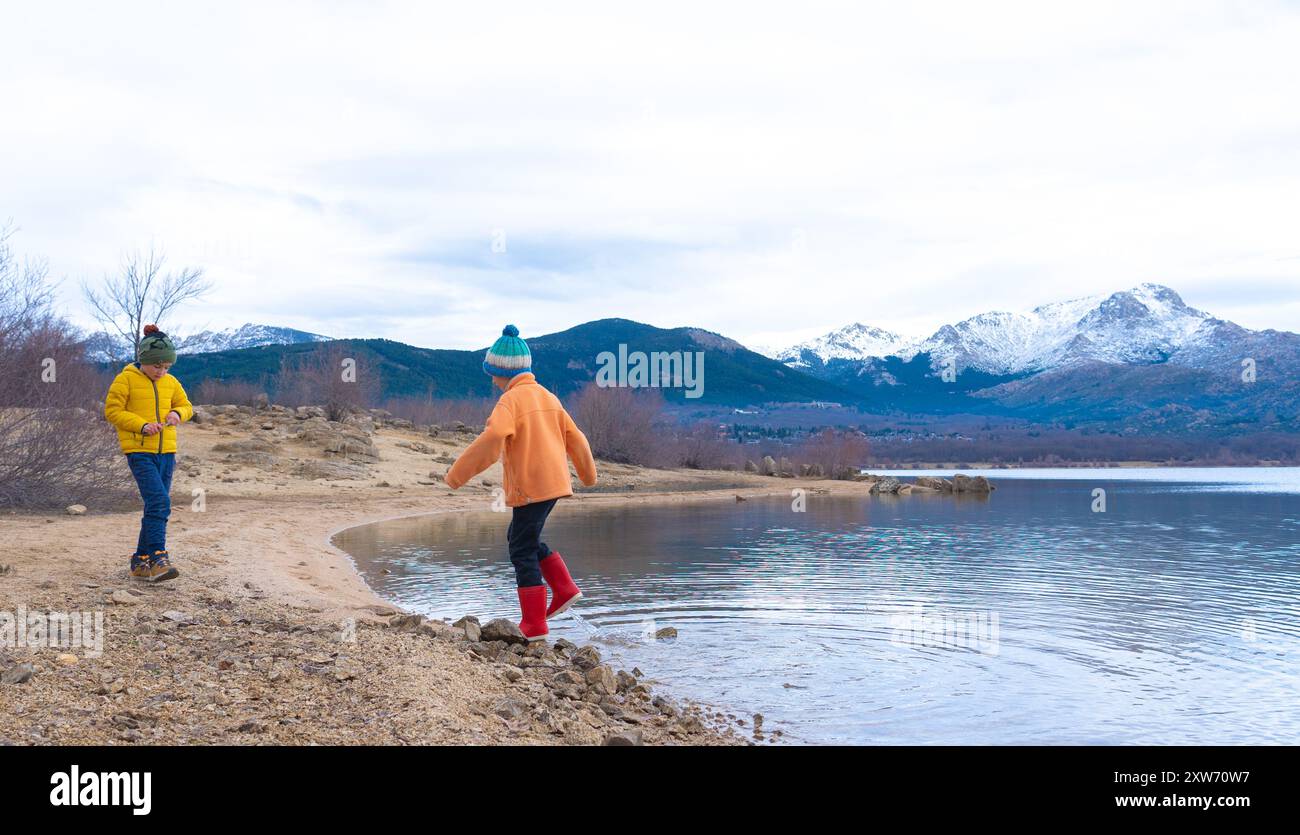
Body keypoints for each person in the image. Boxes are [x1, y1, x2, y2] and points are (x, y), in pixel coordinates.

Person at [444, 325, 597, 640]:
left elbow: (494, 437)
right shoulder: (548, 397)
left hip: (532, 486)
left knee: (521, 547)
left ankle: (535, 624)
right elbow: (576, 438)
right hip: (553, 485)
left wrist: (457, 474)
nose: (491, 379)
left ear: (502, 372)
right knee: (522, 536)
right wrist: (587, 475)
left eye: (493, 373)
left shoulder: (510, 401)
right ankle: (564, 588)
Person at [103, 324, 193, 582]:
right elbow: (113, 411)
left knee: (155, 504)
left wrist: (178, 414)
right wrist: (141, 426)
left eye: (166, 367)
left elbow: (186, 405)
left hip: (167, 452)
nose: (161, 371)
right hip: (139, 451)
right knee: (160, 502)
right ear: (144, 360)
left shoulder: (171, 382)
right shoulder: (126, 379)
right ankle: (158, 558)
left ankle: (140, 561)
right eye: (157, 366)